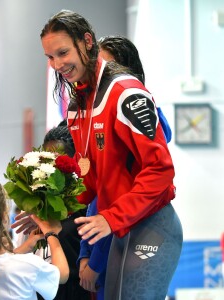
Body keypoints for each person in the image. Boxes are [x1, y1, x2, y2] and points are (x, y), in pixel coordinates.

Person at [40, 10, 183, 300]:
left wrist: (111, 218)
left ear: (87, 41)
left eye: (63, 53)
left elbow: (160, 171)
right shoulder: (79, 104)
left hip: (149, 225)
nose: (57, 65)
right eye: (50, 57)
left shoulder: (127, 93)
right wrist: (52, 212)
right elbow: (90, 180)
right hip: (117, 227)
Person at [14, 120, 91, 300]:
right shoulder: (38, 211)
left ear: (76, 162)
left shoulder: (87, 210)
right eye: (49, 159)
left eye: (61, 160)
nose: (54, 167)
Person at [98, 35, 172, 144]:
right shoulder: (89, 108)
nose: (99, 75)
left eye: (108, 69)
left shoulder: (140, 107)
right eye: (97, 67)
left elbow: (161, 142)